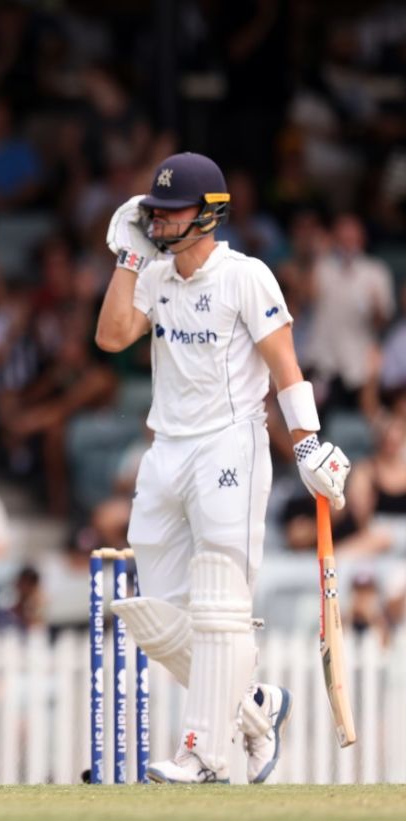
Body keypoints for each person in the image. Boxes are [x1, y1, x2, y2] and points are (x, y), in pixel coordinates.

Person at [95, 152, 351, 784]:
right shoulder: (153, 275)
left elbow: (285, 364)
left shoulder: (247, 277)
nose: (156, 221)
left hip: (229, 448)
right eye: (152, 211)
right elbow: (110, 336)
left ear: (209, 214)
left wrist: (309, 442)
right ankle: (256, 709)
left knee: (218, 609)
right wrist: (127, 261)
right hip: (167, 450)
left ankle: (205, 754)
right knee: (157, 611)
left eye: (171, 210)